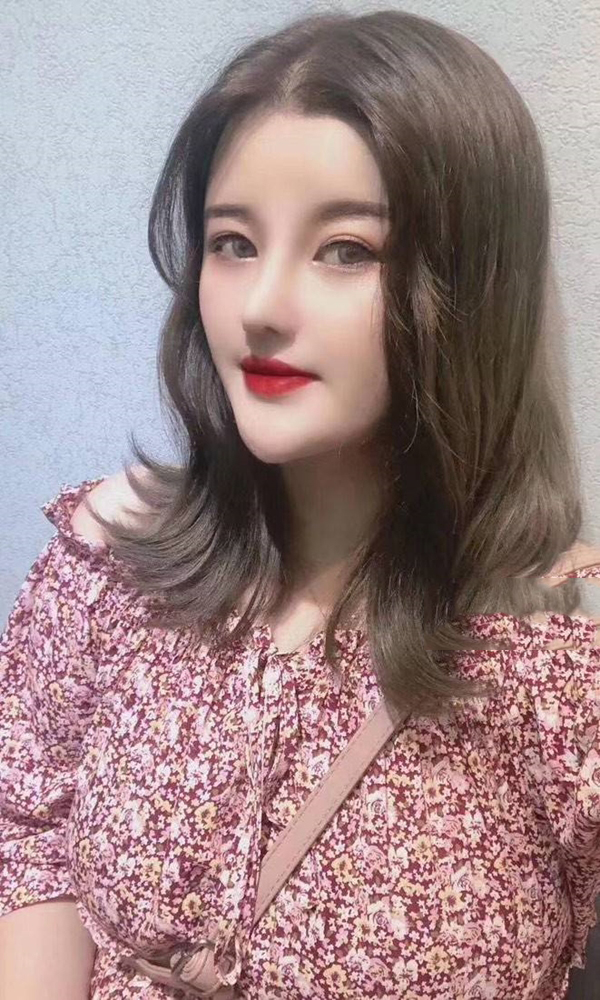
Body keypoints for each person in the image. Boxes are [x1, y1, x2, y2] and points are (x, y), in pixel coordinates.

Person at [1, 8, 599, 999]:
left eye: (347, 250)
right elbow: (29, 829)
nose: (262, 305)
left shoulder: (563, 658)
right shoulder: (108, 563)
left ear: (472, 287)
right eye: (233, 243)